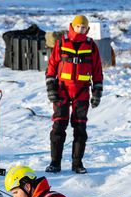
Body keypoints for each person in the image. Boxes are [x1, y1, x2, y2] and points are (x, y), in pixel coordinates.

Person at [45, 15, 104, 174]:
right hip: (62, 90)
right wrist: (51, 87)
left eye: (83, 27)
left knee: (80, 128)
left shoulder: (91, 46)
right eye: (78, 27)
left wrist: (97, 91)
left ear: (87, 29)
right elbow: (51, 67)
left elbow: (97, 71)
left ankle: (77, 163)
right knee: (58, 126)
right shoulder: (61, 43)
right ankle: (55, 163)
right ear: (72, 26)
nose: (81, 30)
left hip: (82, 92)